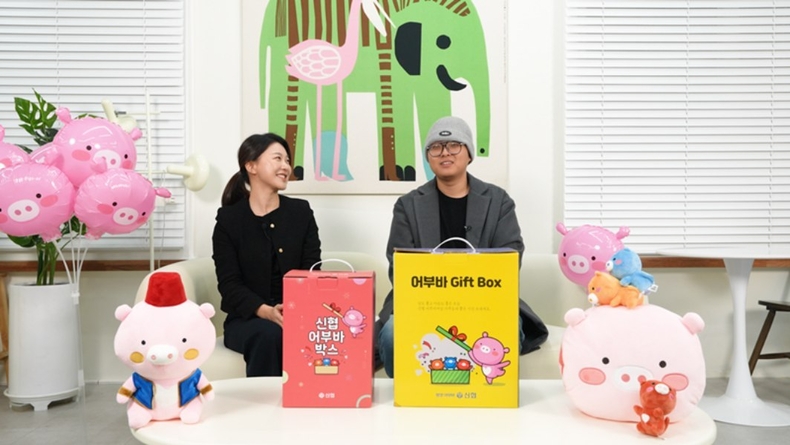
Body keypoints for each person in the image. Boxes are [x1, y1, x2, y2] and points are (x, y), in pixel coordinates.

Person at [375, 116, 548, 378]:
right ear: (428, 157)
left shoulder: (498, 201)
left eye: (454, 145)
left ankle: (487, 396)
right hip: (422, 302)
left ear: (469, 154)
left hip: (485, 300)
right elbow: (398, 264)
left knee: (508, 327)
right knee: (391, 333)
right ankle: (409, 397)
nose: (445, 153)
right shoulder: (408, 205)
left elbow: (511, 256)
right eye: (436, 147)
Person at [212, 133, 321, 377]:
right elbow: (229, 285)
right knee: (269, 334)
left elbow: (312, 270)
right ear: (251, 166)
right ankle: (265, 401)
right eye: (277, 158)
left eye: (287, 160)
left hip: (297, 313)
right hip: (247, 320)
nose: (286, 167)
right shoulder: (229, 220)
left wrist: (293, 310)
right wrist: (265, 311)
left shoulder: (301, 212)